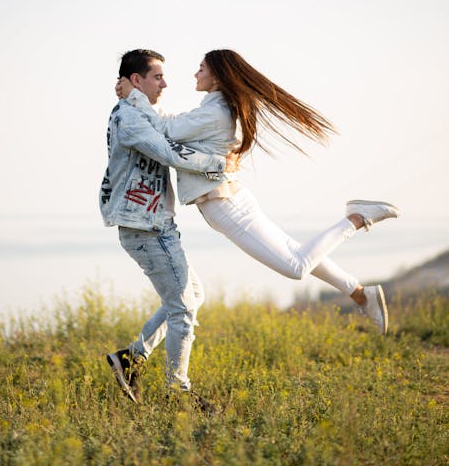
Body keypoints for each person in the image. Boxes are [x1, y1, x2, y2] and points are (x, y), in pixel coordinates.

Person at [116, 48, 400, 336]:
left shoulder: (214, 112)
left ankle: (356, 218)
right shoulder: (212, 108)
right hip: (231, 200)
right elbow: (172, 125)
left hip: (227, 206)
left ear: (218, 77)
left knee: (296, 266)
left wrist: (134, 96)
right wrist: (139, 97)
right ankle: (361, 294)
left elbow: (166, 130)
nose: (196, 73)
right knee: (297, 253)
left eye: (202, 69)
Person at [100, 48, 231, 408]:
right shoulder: (129, 118)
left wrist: (136, 96)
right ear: (136, 80)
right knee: (183, 311)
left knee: (192, 297)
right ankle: (178, 393)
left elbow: (166, 126)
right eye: (157, 76)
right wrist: (219, 162)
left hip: (155, 223)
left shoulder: (139, 110)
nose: (166, 83)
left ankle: (130, 359)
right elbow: (168, 150)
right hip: (145, 227)